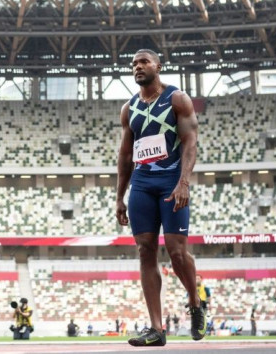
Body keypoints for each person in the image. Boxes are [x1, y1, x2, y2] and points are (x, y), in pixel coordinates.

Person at [115, 49, 206, 347]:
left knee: (177, 252)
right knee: (145, 252)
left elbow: (190, 140)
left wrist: (184, 182)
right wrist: (120, 197)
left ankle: (195, 301)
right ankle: (156, 328)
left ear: (158, 66)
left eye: (143, 62)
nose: (137, 67)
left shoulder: (177, 99)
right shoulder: (129, 108)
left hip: (171, 181)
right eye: (133, 64)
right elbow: (126, 155)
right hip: (142, 184)